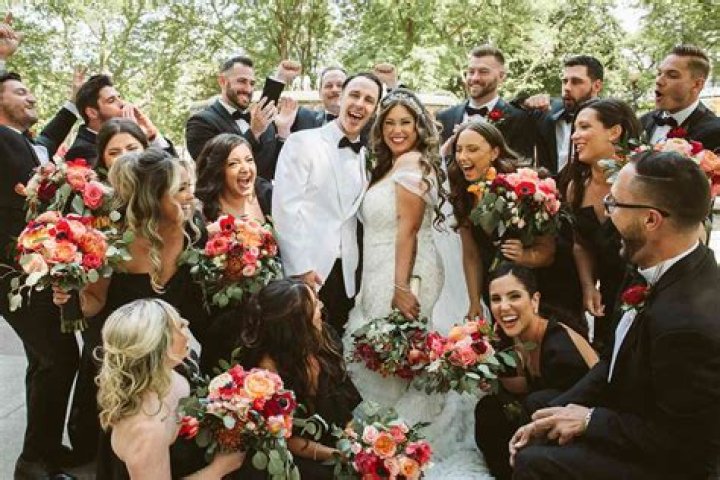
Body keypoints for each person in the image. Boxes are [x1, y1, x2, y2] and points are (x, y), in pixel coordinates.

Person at [511, 151, 720, 480]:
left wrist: (590, 420)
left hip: (669, 463)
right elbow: (613, 361)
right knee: (535, 409)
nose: (607, 213)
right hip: (633, 409)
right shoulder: (646, 264)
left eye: (615, 204)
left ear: (651, 220)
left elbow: (687, 445)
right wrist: (555, 413)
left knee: (532, 462)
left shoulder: (687, 325)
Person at [343, 88, 489, 478]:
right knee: (383, 357)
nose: (397, 130)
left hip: (407, 271)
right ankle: (386, 446)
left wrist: (401, 287)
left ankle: (405, 447)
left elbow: (408, 231)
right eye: (389, 123)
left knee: (399, 357)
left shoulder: (413, 165)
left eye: (405, 122)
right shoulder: (388, 165)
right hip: (378, 268)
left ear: (419, 127)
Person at [53, 148, 207, 462]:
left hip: (170, 350)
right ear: (153, 198)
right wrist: (70, 296)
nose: (191, 195)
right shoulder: (111, 238)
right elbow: (94, 303)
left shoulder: (193, 228)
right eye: (180, 189)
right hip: (123, 357)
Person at [0, 19, 81, 478]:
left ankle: (44, 450)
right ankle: (33, 462)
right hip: (12, 271)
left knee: (46, 359)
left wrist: (74, 100)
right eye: (20, 91)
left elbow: (48, 140)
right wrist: (2, 58)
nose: (31, 96)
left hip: (39, 271)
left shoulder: (28, 144)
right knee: (60, 357)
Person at [272, 72, 381, 335]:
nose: (360, 104)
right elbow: (285, 211)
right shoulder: (302, 142)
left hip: (348, 275)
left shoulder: (365, 156)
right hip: (309, 271)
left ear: (375, 110)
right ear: (341, 98)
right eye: (354, 95)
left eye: (369, 100)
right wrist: (301, 270)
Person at [96, 298, 245, 479]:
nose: (186, 323)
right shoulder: (147, 432)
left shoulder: (178, 365)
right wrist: (219, 469)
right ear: (160, 348)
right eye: (178, 326)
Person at [474, 262, 597, 480]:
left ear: (535, 300)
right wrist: (484, 369)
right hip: (546, 414)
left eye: (514, 296)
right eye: (496, 299)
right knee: (489, 408)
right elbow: (521, 386)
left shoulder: (559, 347)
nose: (504, 307)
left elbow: (584, 400)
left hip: (586, 428)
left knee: (536, 402)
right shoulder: (515, 335)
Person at [236, 279, 360, 479]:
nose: (321, 306)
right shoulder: (267, 375)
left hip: (336, 436)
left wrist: (352, 439)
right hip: (298, 457)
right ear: (296, 326)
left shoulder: (325, 336)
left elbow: (344, 397)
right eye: (315, 305)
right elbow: (287, 437)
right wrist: (338, 456)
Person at [447, 121, 555, 319]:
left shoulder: (525, 187)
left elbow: (548, 250)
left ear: (494, 152)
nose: (462, 157)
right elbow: (471, 254)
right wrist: (474, 301)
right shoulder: (462, 193)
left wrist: (525, 256)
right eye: (459, 150)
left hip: (537, 287)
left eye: (472, 149)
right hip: (495, 287)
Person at [565, 98, 641, 349]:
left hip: (642, 294)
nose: (575, 135)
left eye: (585, 127)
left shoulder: (642, 182)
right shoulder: (575, 188)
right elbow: (580, 244)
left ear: (614, 132)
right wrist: (588, 286)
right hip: (607, 299)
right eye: (575, 128)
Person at [185, 56, 300, 179]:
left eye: (252, 83)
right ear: (222, 81)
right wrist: (254, 132)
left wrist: (283, 131)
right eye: (242, 81)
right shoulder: (200, 123)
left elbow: (279, 168)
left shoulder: (261, 122)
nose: (248, 89)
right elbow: (212, 168)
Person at [437, 45, 535, 161]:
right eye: (471, 72)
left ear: (501, 76)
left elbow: (521, 164)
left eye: (483, 72)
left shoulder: (519, 119)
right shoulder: (444, 117)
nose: (475, 78)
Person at [522, 55, 604, 175]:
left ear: (597, 86)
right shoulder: (547, 110)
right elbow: (512, 112)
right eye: (565, 81)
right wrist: (526, 103)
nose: (567, 88)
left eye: (576, 82)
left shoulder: (610, 119)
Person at [68, 74, 175, 165]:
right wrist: (133, 135)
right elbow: (139, 176)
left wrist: (152, 136)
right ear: (92, 112)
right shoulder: (81, 151)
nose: (122, 103)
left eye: (119, 97)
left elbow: (173, 171)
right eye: (111, 100)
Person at [642, 45, 720, 150]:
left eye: (672, 75)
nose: (659, 81)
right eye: (659, 73)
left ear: (697, 84)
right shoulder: (642, 122)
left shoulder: (715, 132)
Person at [194, 133, 272, 223]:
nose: (245, 169)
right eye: (234, 164)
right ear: (217, 171)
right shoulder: (201, 211)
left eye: (249, 160)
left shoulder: (268, 195)